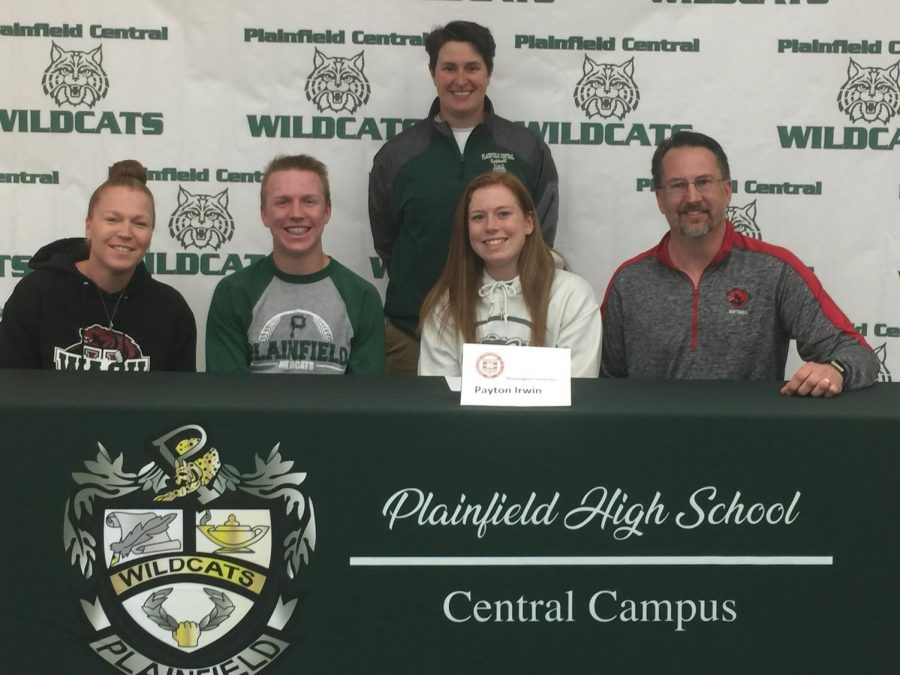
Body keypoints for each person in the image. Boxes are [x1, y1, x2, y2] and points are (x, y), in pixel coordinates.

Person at [601, 131, 878, 396]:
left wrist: (837, 370)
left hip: (752, 441)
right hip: (650, 442)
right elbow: (603, 383)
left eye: (704, 182)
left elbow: (856, 353)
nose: (693, 197)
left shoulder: (775, 270)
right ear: (660, 199)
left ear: (727, 190)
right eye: (678, 185)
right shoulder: (629, 281)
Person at [369, 20, 559, 374]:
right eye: (449, 68)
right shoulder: (397, 155)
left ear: (488, 72)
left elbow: (540, 238)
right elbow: (388, 241)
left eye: (472, 67)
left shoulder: (526, 149)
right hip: (412, 333)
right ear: (432, 72)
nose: (461, 80)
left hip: (507, 337)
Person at [0, 160, 196, 371]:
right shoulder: (36, 294)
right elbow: (10, 391)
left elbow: (178, 400)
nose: (125, 233)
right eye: (112, 219)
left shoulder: (172, 311)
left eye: (140, 223)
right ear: (89, 226)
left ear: (150, 235)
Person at [206, 154, 384, 374]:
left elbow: (363, 400)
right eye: (282, 202)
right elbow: (227, 396)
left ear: (326, 211)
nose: (297, 214)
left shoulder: (362, 297)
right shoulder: (233, 293)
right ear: (264, 214)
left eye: (309, 201)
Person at [419, 172, 599, 377]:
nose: (491, 226)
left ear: (529, 223)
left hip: (551, 411)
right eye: (478, 217)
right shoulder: (446, 304)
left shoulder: (572, 296)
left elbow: (576, 388)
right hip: (469, 411)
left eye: (503, 214)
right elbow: (440, 397)